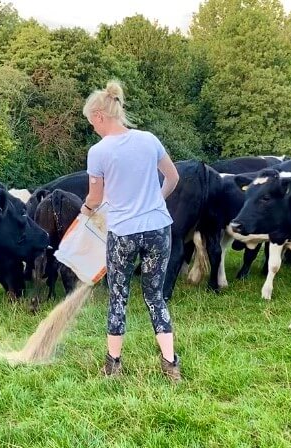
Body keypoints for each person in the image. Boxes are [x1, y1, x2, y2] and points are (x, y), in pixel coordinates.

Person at [80, 80, 181, 382]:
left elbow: (96, 199)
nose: (92, 128)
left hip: (123, 233)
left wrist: (84, 213)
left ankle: (113, 364)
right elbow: (173, 177)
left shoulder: (98, 152)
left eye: (91, 122)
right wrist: (153, 202)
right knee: (155, 297)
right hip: (159, 229)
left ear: (99, 116)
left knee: (118, 296)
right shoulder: (149, 140)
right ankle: (170, 364)